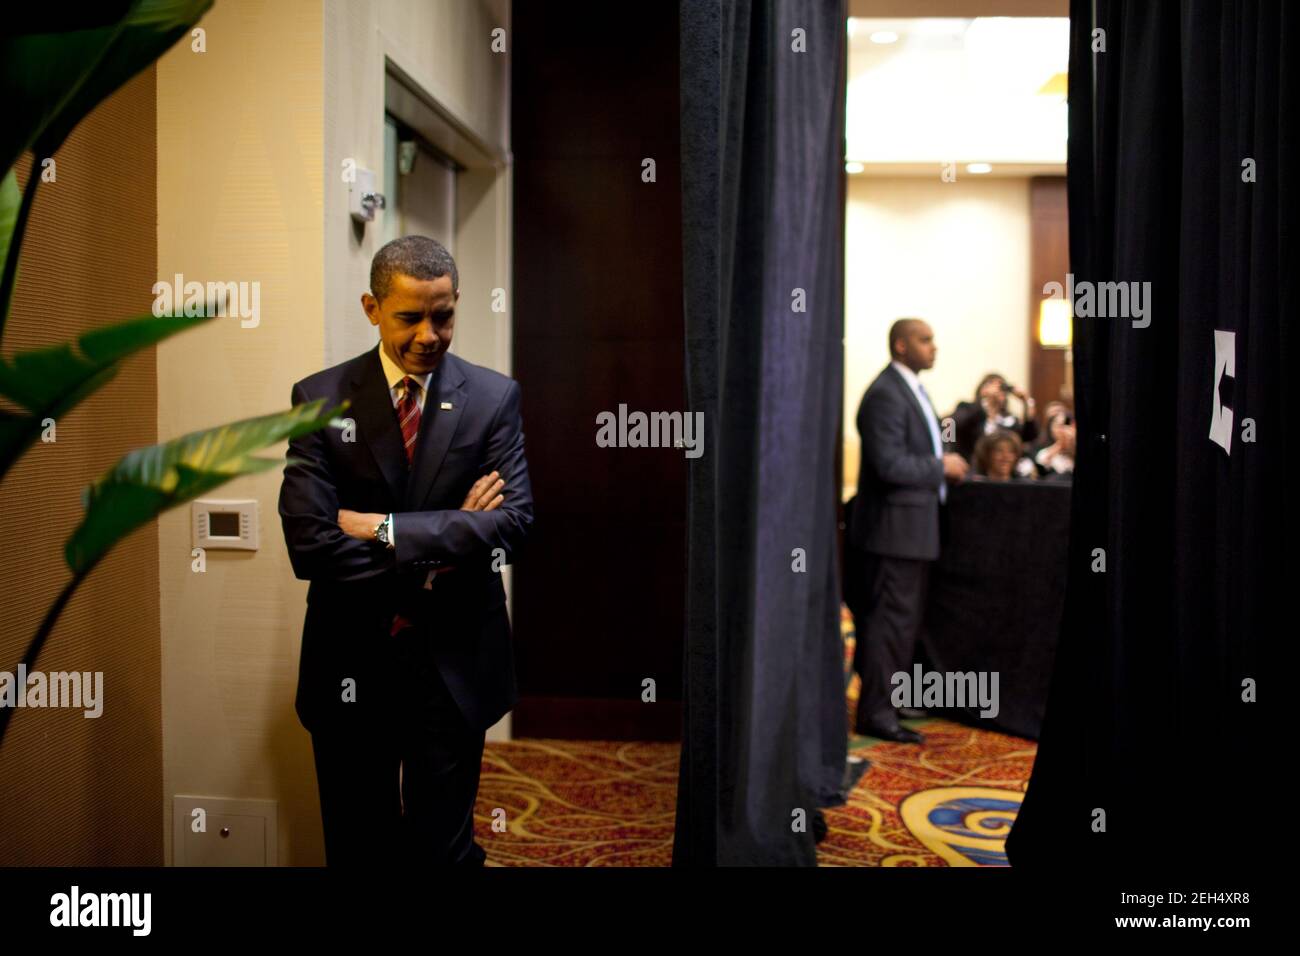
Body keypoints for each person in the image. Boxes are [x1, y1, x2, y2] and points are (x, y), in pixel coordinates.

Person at [278, 235, 533, 866]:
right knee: (358, 848)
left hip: (454, 662)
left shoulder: (494, 398)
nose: (429, 334)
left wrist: (383, 529)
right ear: (372, 308)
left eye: (443, 314)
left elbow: (516, 523)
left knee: (441, 852)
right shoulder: (319, 400)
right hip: (351, 661)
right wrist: (448, 540)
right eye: (409, 316)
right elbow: (310, 545)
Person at [848, 318, 968, 744]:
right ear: (901, 346)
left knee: (903, 623)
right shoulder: (885, 394)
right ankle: (877, 712)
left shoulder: (910, 389)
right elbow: (889, 464)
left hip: (912, 530)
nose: (934, 347)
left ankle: (891, 698)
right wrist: (942, 467)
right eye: (925, 340)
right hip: (892, 532)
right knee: (888, 624)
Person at [949, 372, 1038, 462]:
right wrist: (986, 402)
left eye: (1002, 387)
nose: (998, 390)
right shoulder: (967, 408)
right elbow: (952, 425)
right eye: (992, 384)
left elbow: (1030, 437)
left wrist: (1026, 401)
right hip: (972, 469)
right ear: (982, 389)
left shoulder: (1009, 420)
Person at [1034, 411, 1076, 479]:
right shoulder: (1044, 453)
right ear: (1052, 429)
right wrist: (1060, 446)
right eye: (1059, 426)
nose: (1063, 430)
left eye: (1066, 425)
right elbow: (1040, 472)